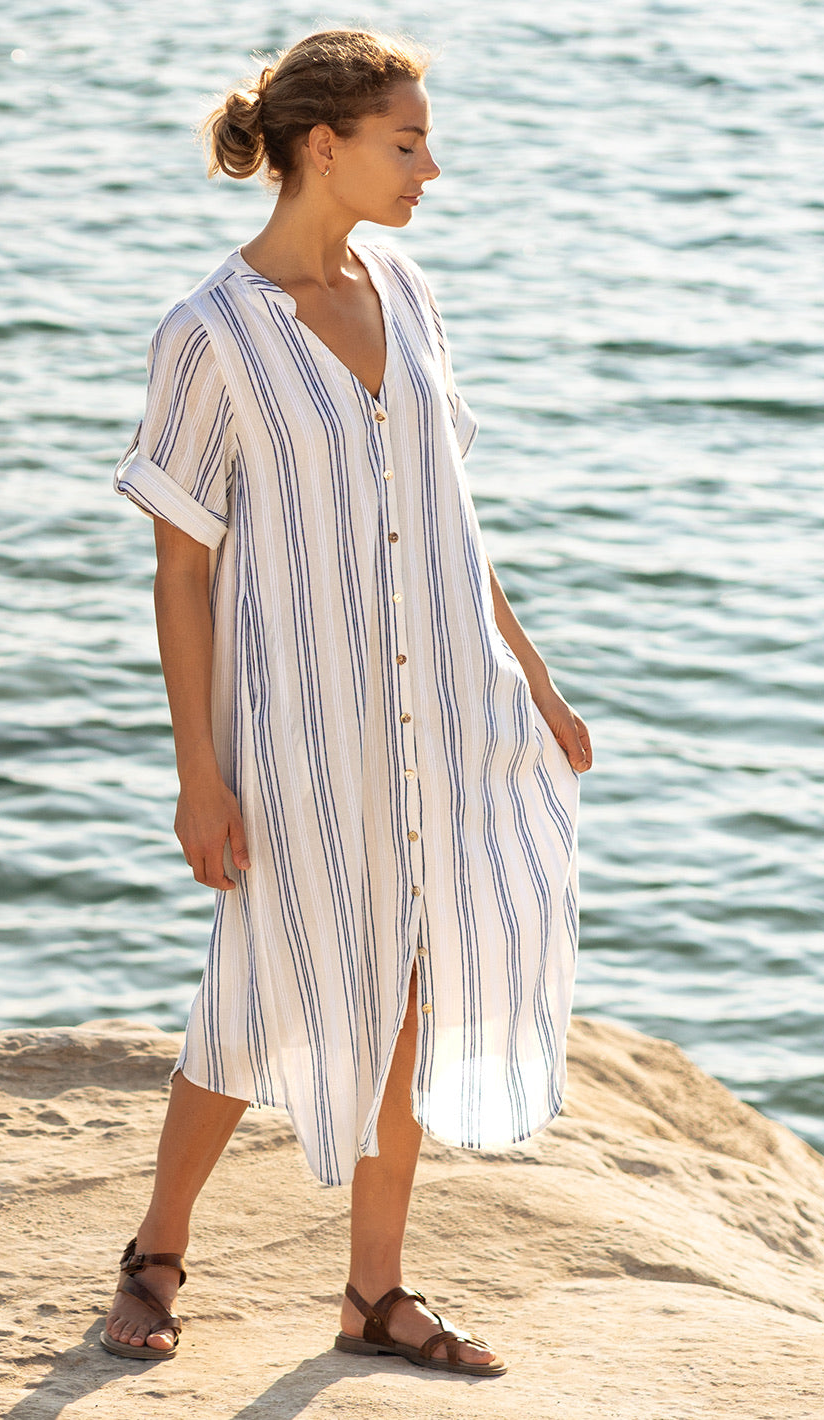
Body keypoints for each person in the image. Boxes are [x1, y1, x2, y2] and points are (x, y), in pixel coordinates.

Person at [102, 27, 592, 1377]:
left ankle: (374, 1294)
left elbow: (445, 519)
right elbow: (181, 569)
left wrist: (534, 681)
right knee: (260, 983)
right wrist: (198, 773)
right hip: (299, 728)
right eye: (405, 141)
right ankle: (155, 1252)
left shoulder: (406, 286)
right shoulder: (210, 333)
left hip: (447, 709)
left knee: (416, 988)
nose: (429, 166)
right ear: (324, 146)